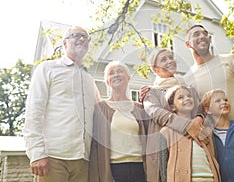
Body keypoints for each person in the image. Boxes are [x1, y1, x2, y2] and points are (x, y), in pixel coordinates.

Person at [23, 26, 100, 182]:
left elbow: (101, 111)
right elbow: (34, 111)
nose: (82, 39)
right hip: (53, 157)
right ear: (65, 43)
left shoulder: (89, 79)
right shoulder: (47, 68)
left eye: (86, 37)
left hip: (83, 161)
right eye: (76, 35)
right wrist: (37, 153)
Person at [185, 24, 234, 145]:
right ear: (187, 44)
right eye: (196, 34)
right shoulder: (187, 79)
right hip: (213, 144)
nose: (202, 36)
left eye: (205, 33)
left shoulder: (230, 60)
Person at [142, 48, 205, 182]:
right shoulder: (151, 93)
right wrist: (187, 125)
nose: (170, 61)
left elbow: (200, 108)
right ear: (155, 69)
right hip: (164, 148)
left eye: (171, 57)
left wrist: (199, 118)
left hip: (192, 146)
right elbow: (157, 113)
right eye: (164, 59)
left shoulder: (189, 88)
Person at [89, 61, 148, 182]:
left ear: (128, 78)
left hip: (139, 167)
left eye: (120, 71)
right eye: (111, 73)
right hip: (114, 168)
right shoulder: (99, 108)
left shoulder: (140, 108)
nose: (116, 74)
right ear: (107, 82)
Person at [159, 85, 220, 182]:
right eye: (180, 97)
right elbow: (163, 167)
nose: (187, 99)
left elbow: (214, 157)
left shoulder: (206, 130)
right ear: (172, 107)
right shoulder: (166, 132)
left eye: (189, 96)